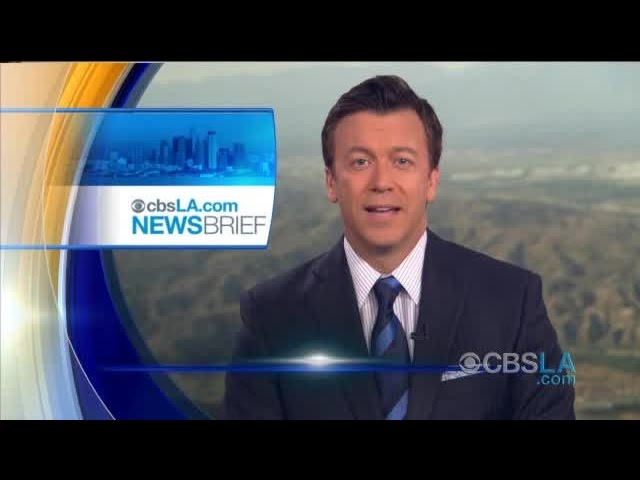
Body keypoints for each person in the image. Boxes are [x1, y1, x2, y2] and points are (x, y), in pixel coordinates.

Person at [223, 75, 575, 420]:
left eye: (402, 161)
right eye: (361, 162)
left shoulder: (512, 301)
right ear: (331, 182)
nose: (381, 182)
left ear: (431, 181)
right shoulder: (271, 315)